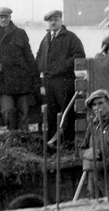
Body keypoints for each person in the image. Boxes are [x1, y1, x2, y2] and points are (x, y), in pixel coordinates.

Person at [0, 7, 39, 130]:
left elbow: (29, 57)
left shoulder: (20, 33)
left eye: (6, 16)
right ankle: (13, 136)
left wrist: (35, 78)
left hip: (21, 80)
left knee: (23, 110)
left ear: (10, 17)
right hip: (2, 82)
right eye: (1, 17)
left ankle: (24, 139)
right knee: (8, 110)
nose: (4, 19)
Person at [35, 9, 85, 148]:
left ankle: (68, 141)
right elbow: (39, 56)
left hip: (64, 80)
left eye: (56, 19)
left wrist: (62, 67)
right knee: (51, 111)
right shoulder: (46, 39)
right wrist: (42, 69)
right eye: (50, 20)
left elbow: (79, 55)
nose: (53, 22)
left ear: (61, 21)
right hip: (49, 81)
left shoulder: (70, 37)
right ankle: (54, 141)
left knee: (66, 110)